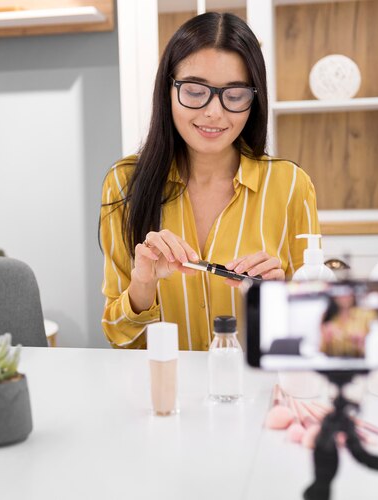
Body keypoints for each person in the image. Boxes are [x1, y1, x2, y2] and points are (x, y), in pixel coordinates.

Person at [99, 12, 320, 350]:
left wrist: (279, 296)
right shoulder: (124, 183)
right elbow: (117, 334)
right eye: (194, 91)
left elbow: (317, 330)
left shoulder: (292, 186)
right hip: (163, 391)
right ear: (168, 90)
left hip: (254, 390)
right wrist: (143, 283)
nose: (214, 112)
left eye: (234, 96)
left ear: (254, 99)